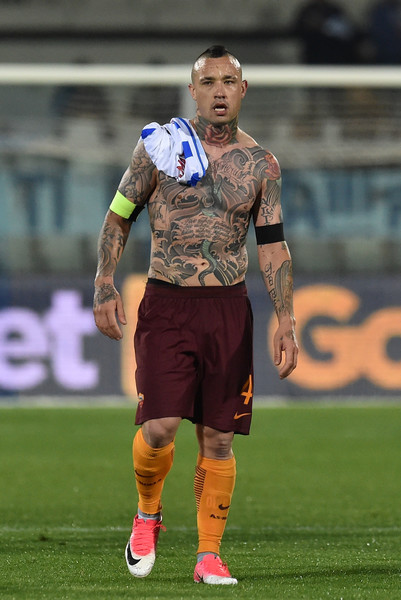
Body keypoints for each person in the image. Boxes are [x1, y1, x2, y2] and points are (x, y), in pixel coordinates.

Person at [93, 45, 298, 586]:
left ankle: (208, 556)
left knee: (219, 439)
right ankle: (147, 514)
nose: (219, 92)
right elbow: (118, 217)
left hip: (228, 310)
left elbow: (272, 246)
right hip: (167, 303)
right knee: (159, 428)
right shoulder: (159, 149)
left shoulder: (262, 165)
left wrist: (286, 318)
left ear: (243, 90)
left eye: (228, 81)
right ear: (193, 91)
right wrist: (104, 281)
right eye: (208, 82)